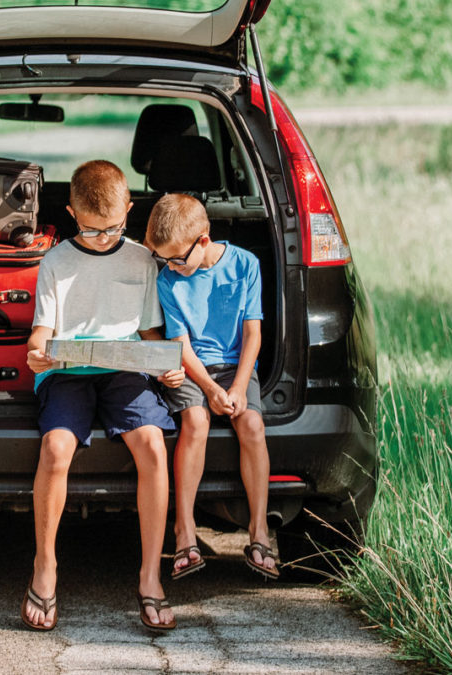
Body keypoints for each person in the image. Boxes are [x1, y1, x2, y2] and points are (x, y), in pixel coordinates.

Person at [23, 160, 183, 632]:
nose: (104, 238)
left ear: (130, 211)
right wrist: (37, 356)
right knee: (55, 448)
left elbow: (151, 332)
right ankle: (45, 566)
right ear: (72, 214)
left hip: (126, 369)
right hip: (67, 372)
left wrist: (166, 364)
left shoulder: (140, 258)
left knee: (153, 445)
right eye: (93, 232)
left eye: (113, 229)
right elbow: (40, 335)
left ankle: (151, 575)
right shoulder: (56, 262)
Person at [145, 193, 279, 582]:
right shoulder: (169, 277)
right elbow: (180, 344)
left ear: (203, 240)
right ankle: (184, 529)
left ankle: (258, 532)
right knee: (196, 421)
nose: (170, 267)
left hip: (236, 366)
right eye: (164, 259)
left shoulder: (245, 265)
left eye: (176, 258)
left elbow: (253, 333)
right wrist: (209, 387)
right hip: (191, 367)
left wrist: (237, 388)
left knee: (252, 426)